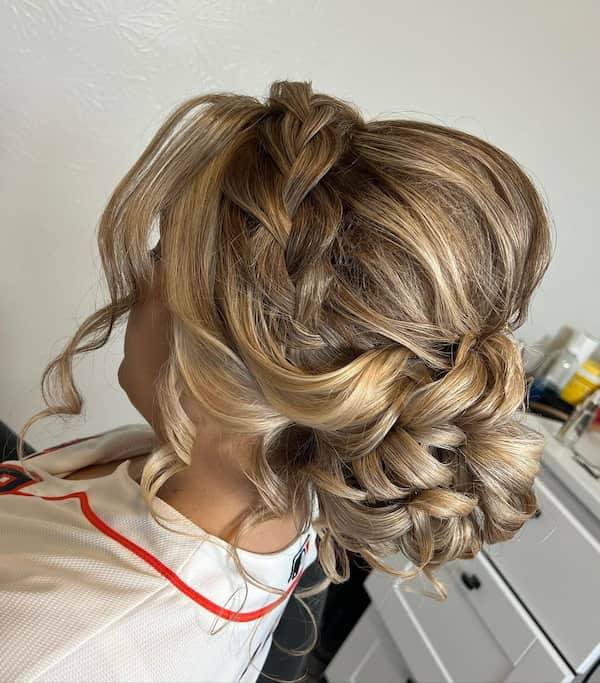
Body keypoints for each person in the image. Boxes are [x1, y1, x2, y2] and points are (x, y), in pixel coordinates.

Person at [1, 80, 553, 682]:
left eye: (162, 257)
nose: (140, 280)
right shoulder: (263, 478)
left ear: (228, 360)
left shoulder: (54, 650)